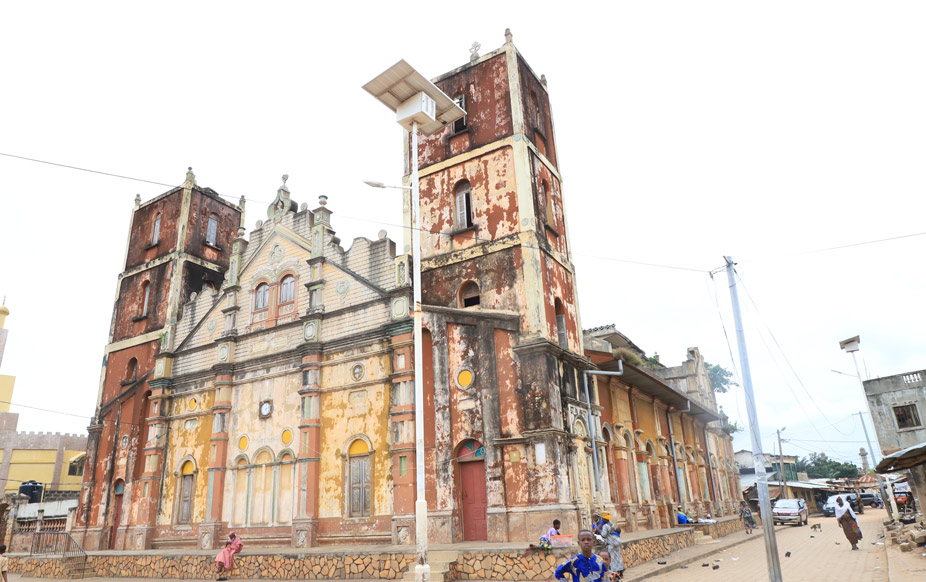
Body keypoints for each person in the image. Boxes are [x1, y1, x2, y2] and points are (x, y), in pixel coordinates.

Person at [598, 512, 624, 581]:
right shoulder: (612, 524)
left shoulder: (605, 526)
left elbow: (603, 535)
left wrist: (598, 529)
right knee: (617, 559)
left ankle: (613, 576)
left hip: (611, 544)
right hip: (616, 542)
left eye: (602, 518)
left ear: (604, 519)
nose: (602, 520)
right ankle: (619, 574)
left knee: (611, 561)